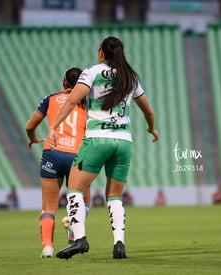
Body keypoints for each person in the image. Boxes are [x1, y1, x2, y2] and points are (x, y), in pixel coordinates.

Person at [49, 36, 159, 259]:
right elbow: (148, 111)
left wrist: (54, 126)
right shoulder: (131, 77)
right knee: (115, 195)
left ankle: (79, 238)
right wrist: (151, 129)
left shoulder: (92, 72)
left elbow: (71, 101)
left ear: (101, 52)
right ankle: (119, 244)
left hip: (97, 138)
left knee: (75, 189)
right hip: (123, 142)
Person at [26, 67, 90, 258]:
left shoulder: (50, 99)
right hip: (77, 155)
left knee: (48, 207)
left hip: (52, 153)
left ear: (64, 83)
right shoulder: (88, 102)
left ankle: (47, 247)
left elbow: (30, 125)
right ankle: (72, 226)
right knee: (83, 201)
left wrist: (32, 137)